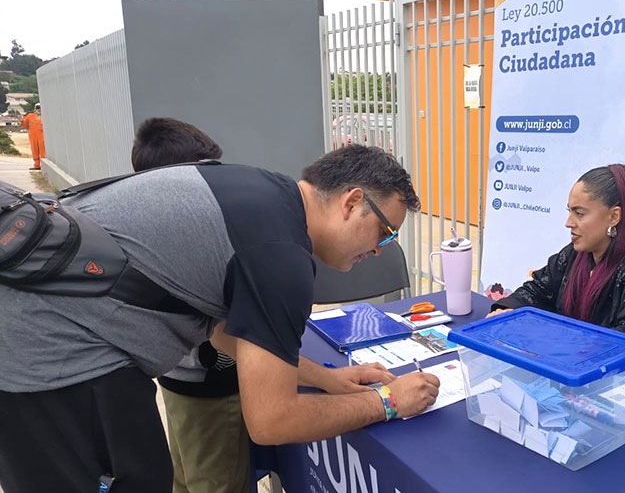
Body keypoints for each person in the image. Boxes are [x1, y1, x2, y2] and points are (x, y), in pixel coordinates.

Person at [0, 144, 440, 492]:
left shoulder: (264, 198)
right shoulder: (281, 255)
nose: (382, 248)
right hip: (54, 361)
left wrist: (325, 378)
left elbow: (228, 334)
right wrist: (388, 402)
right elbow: (271, 422)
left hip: (35, 341)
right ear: (352, 201)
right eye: (386, 231)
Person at [131, 117, 248, 493]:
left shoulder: (144, 223)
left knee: (185, 477)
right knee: (216, 481)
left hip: (175, 374)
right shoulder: (191, 237)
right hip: (211, 387)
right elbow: (223, 336)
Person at [490, 164, 625, 372]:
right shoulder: (577, 254)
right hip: (582, 374)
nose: (569, 223)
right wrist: (507, 311)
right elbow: (538, 290)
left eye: (579, 213)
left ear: (614, 217)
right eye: (569, 211)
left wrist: (562, 344)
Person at [20, 102, 46, 170]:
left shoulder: (46, 117)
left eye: (40, 108)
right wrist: (21, 120)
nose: (39, 109)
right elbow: (24, 124)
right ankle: (37, 165)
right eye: (37, 108)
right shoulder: (30, 116)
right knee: (34, 151)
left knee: (43, 151)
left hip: (42, 137)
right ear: (35, 108)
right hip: (32, 137)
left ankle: (44, 166)